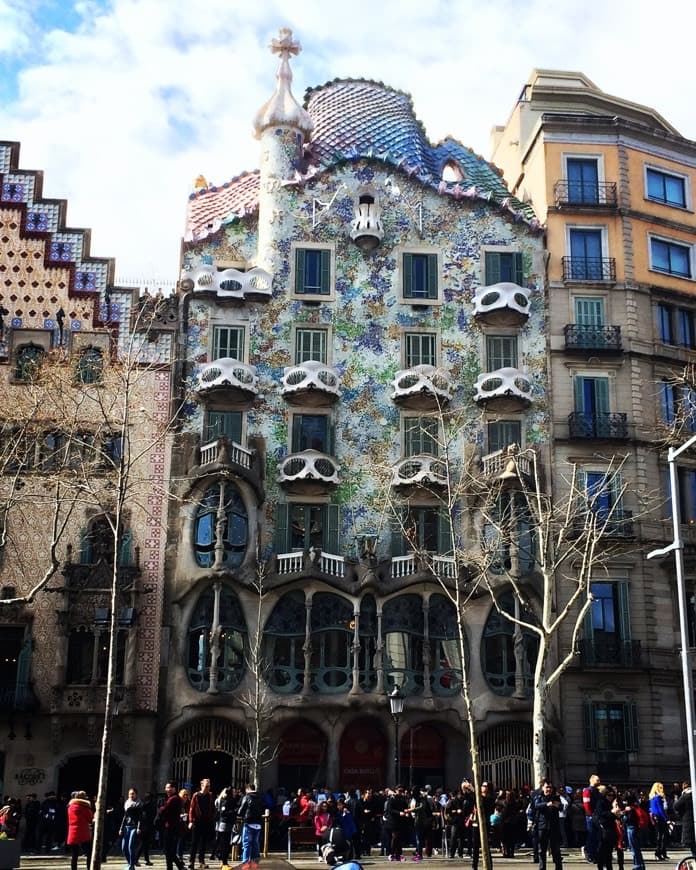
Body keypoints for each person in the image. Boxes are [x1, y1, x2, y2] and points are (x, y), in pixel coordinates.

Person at [534, 781, 563, 870]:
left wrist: (558, 805)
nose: (548, 789)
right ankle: (542, 868)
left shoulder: (556, 797)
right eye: (547, 787)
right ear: (543, 788)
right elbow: (536, 806)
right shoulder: (539, 797)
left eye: (550, 787)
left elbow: (561, 807)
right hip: (542, 826)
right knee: (542, 850)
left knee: (556, 849)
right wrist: (547, 804)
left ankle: (558, 867)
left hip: (554, 826)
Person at [189, 778, 215, 870]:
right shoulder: (196, 795)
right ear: (202, 785)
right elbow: (191, 808)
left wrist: (211, 818)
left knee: (203, 843)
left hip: (206, 821)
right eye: (206, 786)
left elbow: (212, 808)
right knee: (194, 842)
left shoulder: (211, 795)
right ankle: (191, 861)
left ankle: (201, 861)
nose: (208, 788)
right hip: (197, 821)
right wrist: (191, 821)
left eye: (209, 786)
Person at [158, 781, 185, 870]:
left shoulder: (173, 799)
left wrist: (160, 809)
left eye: (168, 788)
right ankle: (178, 867)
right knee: (169, 851)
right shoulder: (172, 798)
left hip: (171, 827)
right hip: (171, 826)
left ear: (174, 788)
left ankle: (175, 867)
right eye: (166, 788)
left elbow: (164, 810)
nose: (166, 790)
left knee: (168, 851)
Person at [238, 782, 263, 870]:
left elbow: (241, 811)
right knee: (255, 844)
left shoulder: (247, 797)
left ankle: (245, 864)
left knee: (247, 844)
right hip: (258, 824)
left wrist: (240, 815)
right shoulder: (260, 797)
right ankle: (254, 863)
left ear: (247, 789)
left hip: (248, 822)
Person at [66, 790, 93, 870]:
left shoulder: (70, 807)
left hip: (72, 832)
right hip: (83, 832)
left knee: (74, 854)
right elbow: (90, 819)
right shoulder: (85, 807)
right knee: (89, 853)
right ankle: (89, 868)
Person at [119, 787, 143, 870]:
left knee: (130, 846)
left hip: (134, 827)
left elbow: (140, 817)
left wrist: (139, 827)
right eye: (130, 793)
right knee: (123, 847)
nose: (131, 795)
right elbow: (124, 817)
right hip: (126, 827)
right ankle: (130, 862)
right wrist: (121, 828)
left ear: (136, 794)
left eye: (133, 793)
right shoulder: (126, 803)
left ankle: (131, 865)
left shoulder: (139, 804)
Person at [621, 791, 645, 870]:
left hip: (631, 828)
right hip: (636, 828)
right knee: (637, 848)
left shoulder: (630, 809)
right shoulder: (636, 807)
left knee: (634, 848)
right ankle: (640, 864)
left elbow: (628, 819)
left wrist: (623, 816)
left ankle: (637, 865)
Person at [648, 782, 669, 861]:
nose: (662, 789)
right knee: (661, 836)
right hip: (660, 817)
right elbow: (661, 809)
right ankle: (658, 853)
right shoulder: (658, 797)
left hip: (655, 817)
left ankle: (660, 853)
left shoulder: (652, 797)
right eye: (661, 787)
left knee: (660, 835)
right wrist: (666, 818)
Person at [674, 781, 695, 859]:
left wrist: (676, 798)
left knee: (693, 847)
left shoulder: (686, 795)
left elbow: (676, 806)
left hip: (689, 822)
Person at [583, 774, 601, 863]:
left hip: (597, 816)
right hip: (590, 816)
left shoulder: (597, 791)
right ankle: (590, 854)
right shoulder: (587, 791)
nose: (599, 782)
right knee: (591, 835)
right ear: (592, 780)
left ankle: (595, 854)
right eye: (597, 780)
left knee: (596, 836)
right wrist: (590, 815)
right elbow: (586, 805)